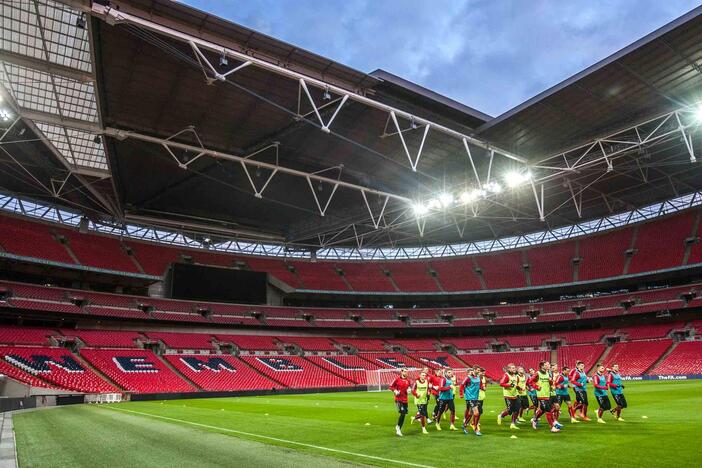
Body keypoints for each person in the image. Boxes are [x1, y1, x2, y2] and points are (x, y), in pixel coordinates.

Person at [529, 361, 562, 433]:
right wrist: (537, 387)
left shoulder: (547, 373)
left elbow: (549, 383)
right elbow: (530, 381)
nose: (548, 366)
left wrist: (552, 385)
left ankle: (534, 420)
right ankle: (552, 427)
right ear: (541, 366)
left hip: (547, 395)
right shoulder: (537, 373)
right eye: (546, 365)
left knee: (543, 410)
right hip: (541, 395)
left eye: (548, 365)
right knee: (548, 410)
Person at [459, 365, 483, 436]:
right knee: (476, 413)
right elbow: (461, 385)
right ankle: (476, 429)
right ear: (474, 370)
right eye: (478, 370)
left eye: (479, 371)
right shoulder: (468, 378)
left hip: (476, 398)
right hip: (469, 398)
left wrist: (481, 387)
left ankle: (464, 425)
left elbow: (480, 385)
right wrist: (461, 394)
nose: (479, 372)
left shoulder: (478, 378)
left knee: (470, 413)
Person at [497, 363, 522, 430]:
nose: (514, 369)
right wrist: (509, 385)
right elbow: (501, 383)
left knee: (517, 409)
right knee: (510, 410)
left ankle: (513, 424)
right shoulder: (506, 375)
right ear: (509, 369)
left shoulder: (516, 376)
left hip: (516, 395)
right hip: (508, 395)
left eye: (514, 368)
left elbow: (515, 385)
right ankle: (501, 416)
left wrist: (519, 388)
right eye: (513, 368)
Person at [389, 368, 411, 436]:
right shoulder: (397, 379)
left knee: (404, 414)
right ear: (401, 372)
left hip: (405, 399)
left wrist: (409, 389)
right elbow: (390, 386)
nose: (406, 373)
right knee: (403, 413)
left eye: (407, 371)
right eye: (404, 371)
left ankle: (398, 427)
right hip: (398, 399)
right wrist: (395, 391)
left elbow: (409, 387)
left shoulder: (408, 380)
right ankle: (398, 428)